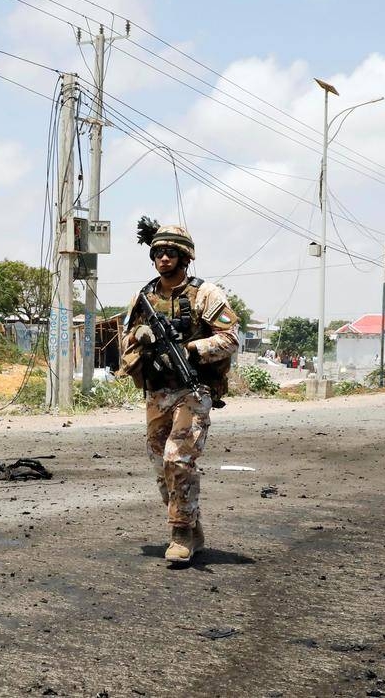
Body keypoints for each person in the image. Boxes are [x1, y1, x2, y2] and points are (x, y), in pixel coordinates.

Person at [118, 219, 239, 564]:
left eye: (171, 253)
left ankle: (180, 533)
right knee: (161, 466)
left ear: (184, 258)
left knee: (178, 458)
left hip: (193, 389)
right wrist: (139, 337)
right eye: (158, 252)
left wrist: (193, 349)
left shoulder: (206, 294)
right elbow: (125, 339)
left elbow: (230, 339)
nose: (164, 259)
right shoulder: (143, 297)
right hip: (158, 392)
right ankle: (192, 524)